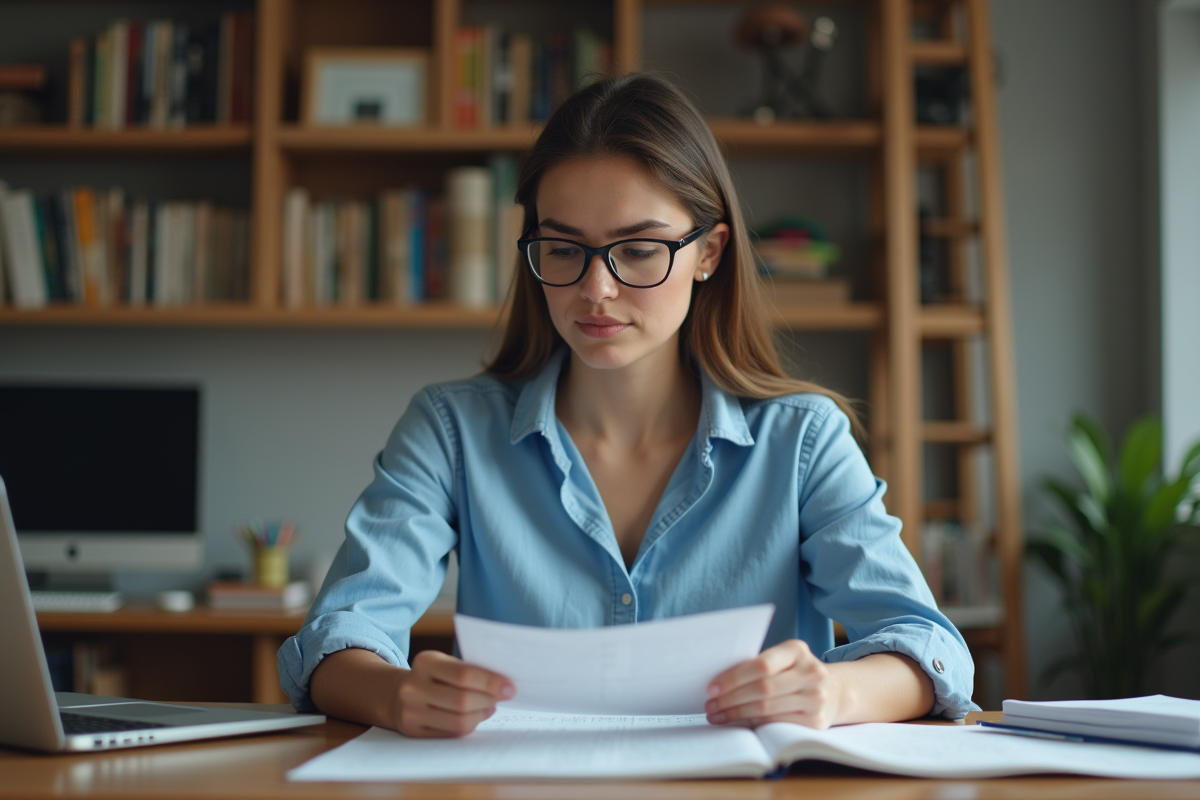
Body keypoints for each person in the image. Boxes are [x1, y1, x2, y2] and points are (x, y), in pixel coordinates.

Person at [278, 73, 976, 739]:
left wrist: (835, 692)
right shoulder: (451, 430)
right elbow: (339, 636)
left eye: (638, 249)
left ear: (709, 252)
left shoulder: (802, 441)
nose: (596, 290)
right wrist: (396, 695)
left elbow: (926, 647)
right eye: (563, 248)